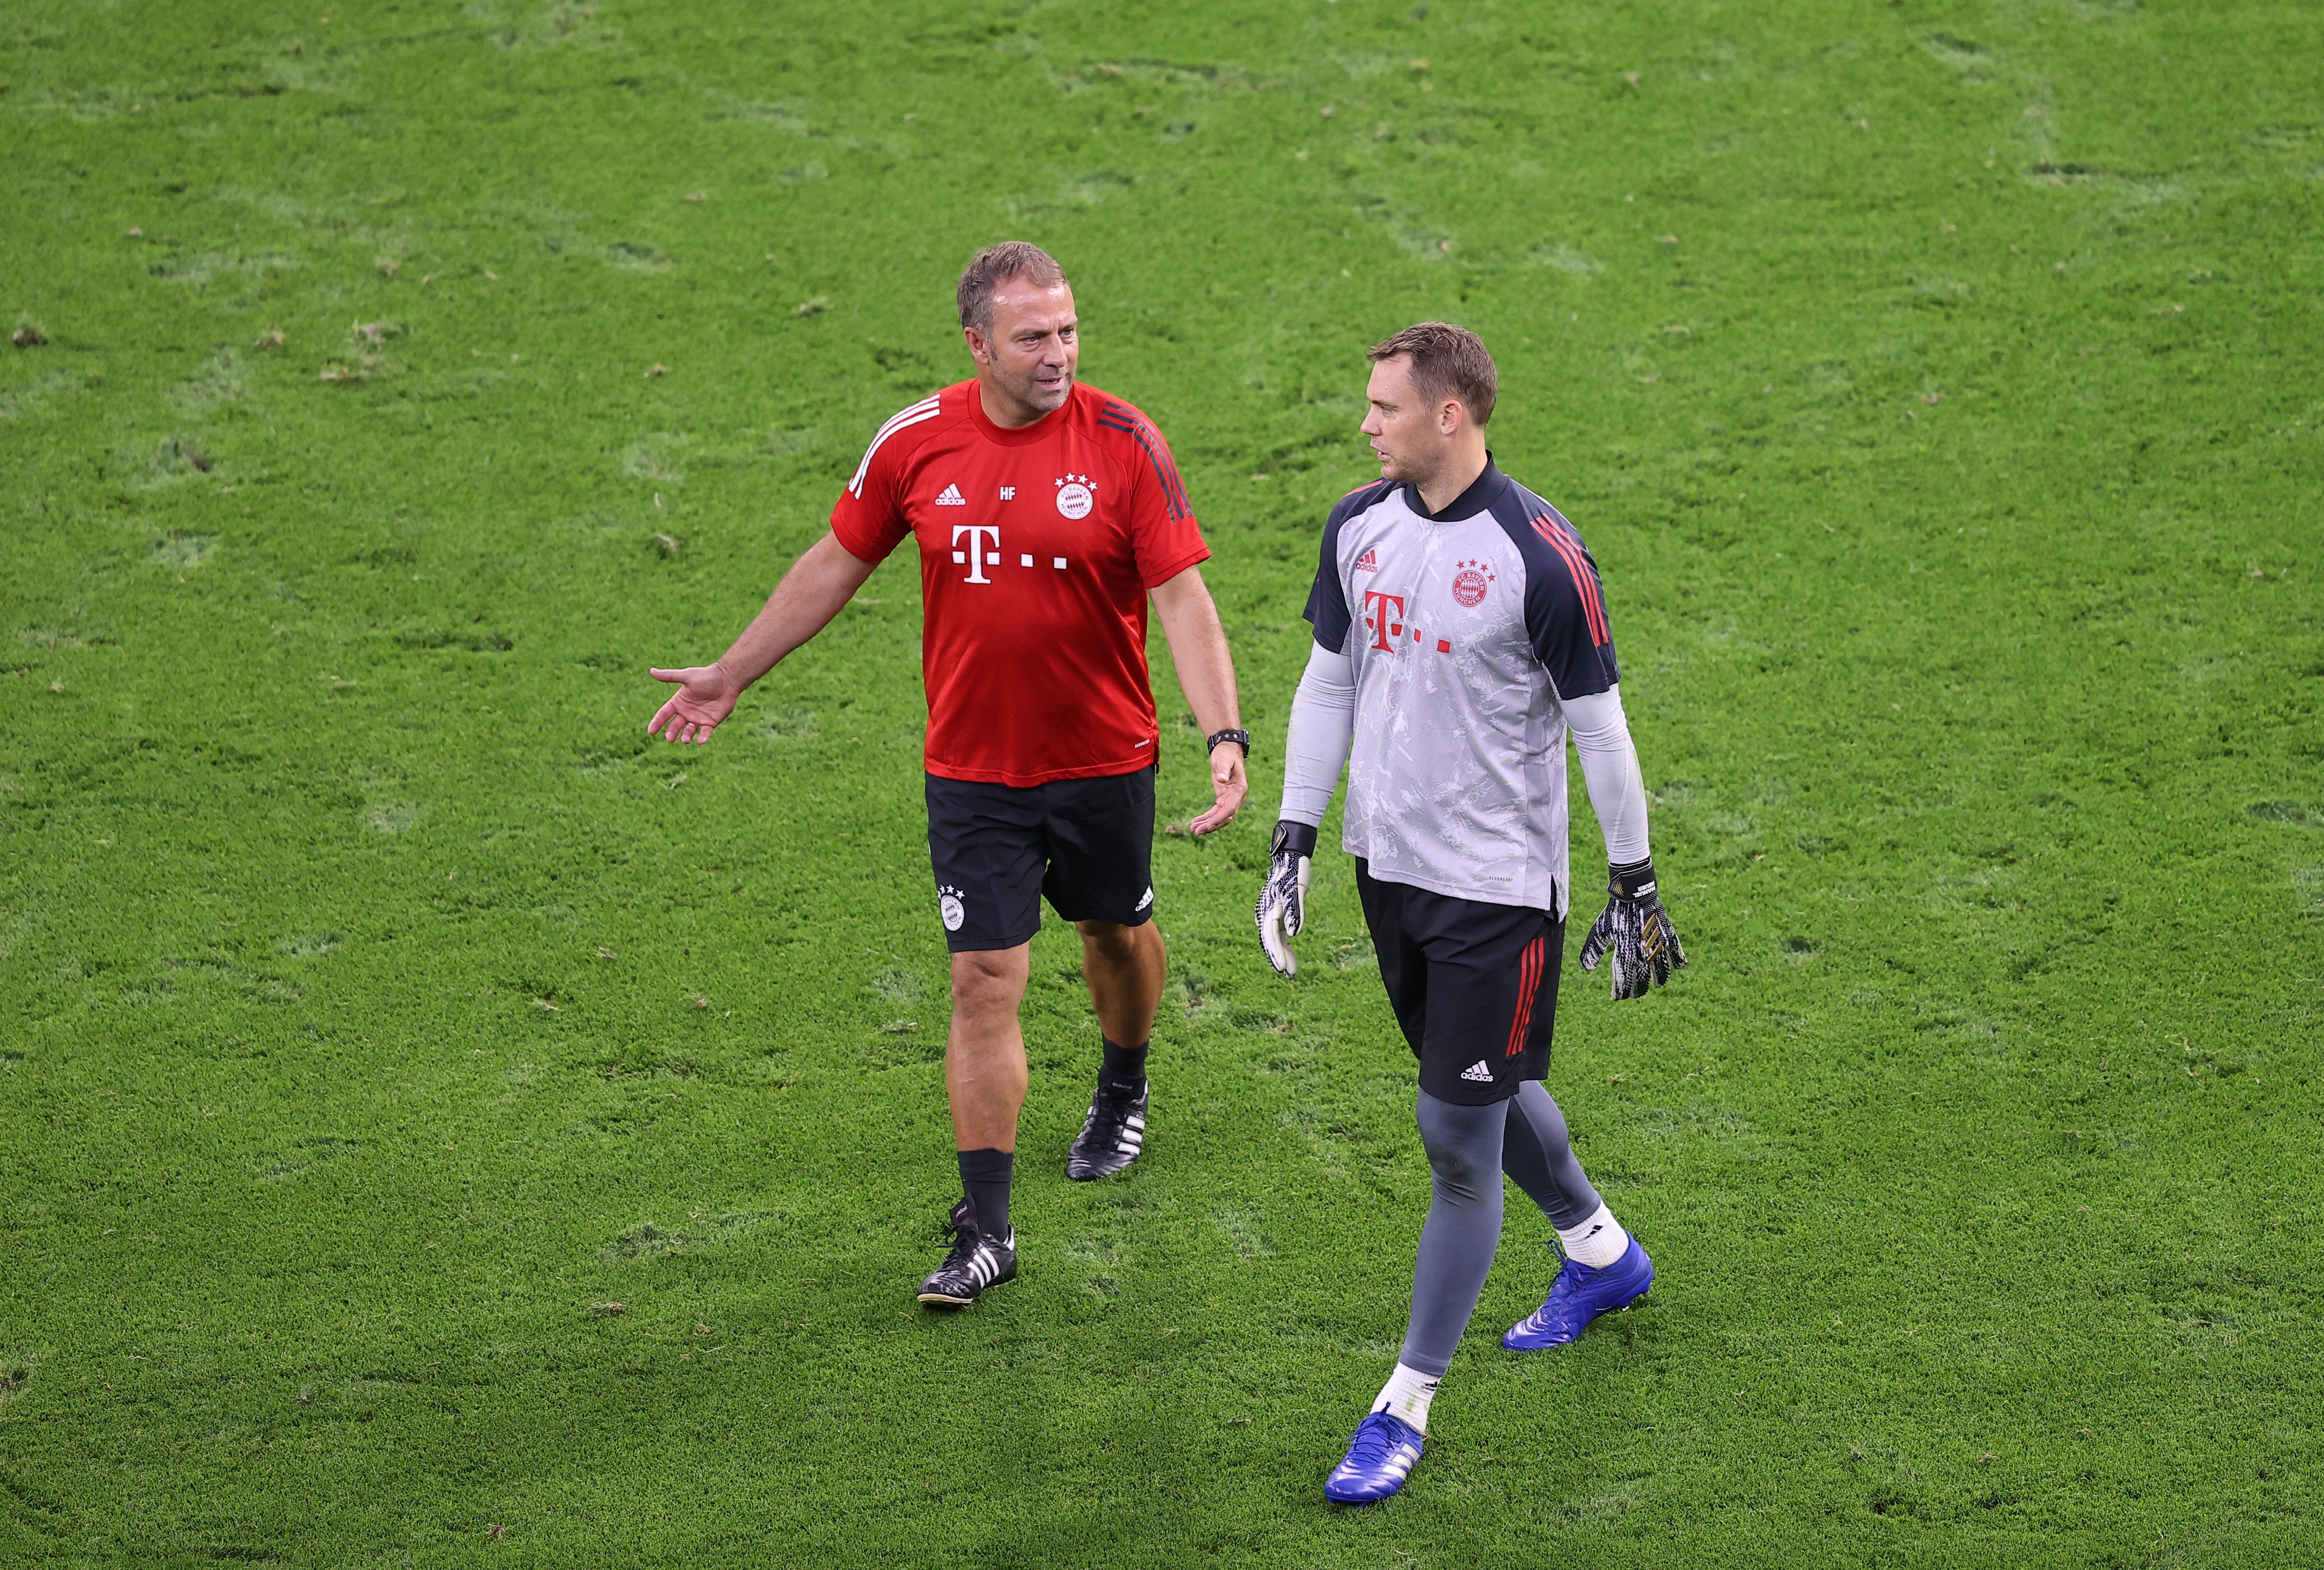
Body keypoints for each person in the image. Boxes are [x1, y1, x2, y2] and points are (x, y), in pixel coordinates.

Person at [647, 241, 1249, 1308]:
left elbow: (1183, 599)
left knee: (1113, 933)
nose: (1058, 353)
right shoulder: (916, 444)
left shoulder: (1124, 442)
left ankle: (1123, 1085)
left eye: (1068, 331)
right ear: (978, 343)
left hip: (1106, 761)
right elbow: (838, 558)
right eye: (1033, 337)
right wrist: (732, 673)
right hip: (974, 771)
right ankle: (988, 1230)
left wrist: (1222, 734)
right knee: (983, 981)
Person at [1255, 320, 1687, 1503]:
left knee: (1454, 1137)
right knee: (1487, 1089)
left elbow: (1599, 725)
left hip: (1499, 894)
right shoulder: (1359, 525)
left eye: (1384, 405)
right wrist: (1295, 836)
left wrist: (1632, 878)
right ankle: (1603, 1255)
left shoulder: (1540, 555)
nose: (1366, 423)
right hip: (1387, 871)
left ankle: (1404, 1405)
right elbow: (1330, 677)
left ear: (1451, 415)